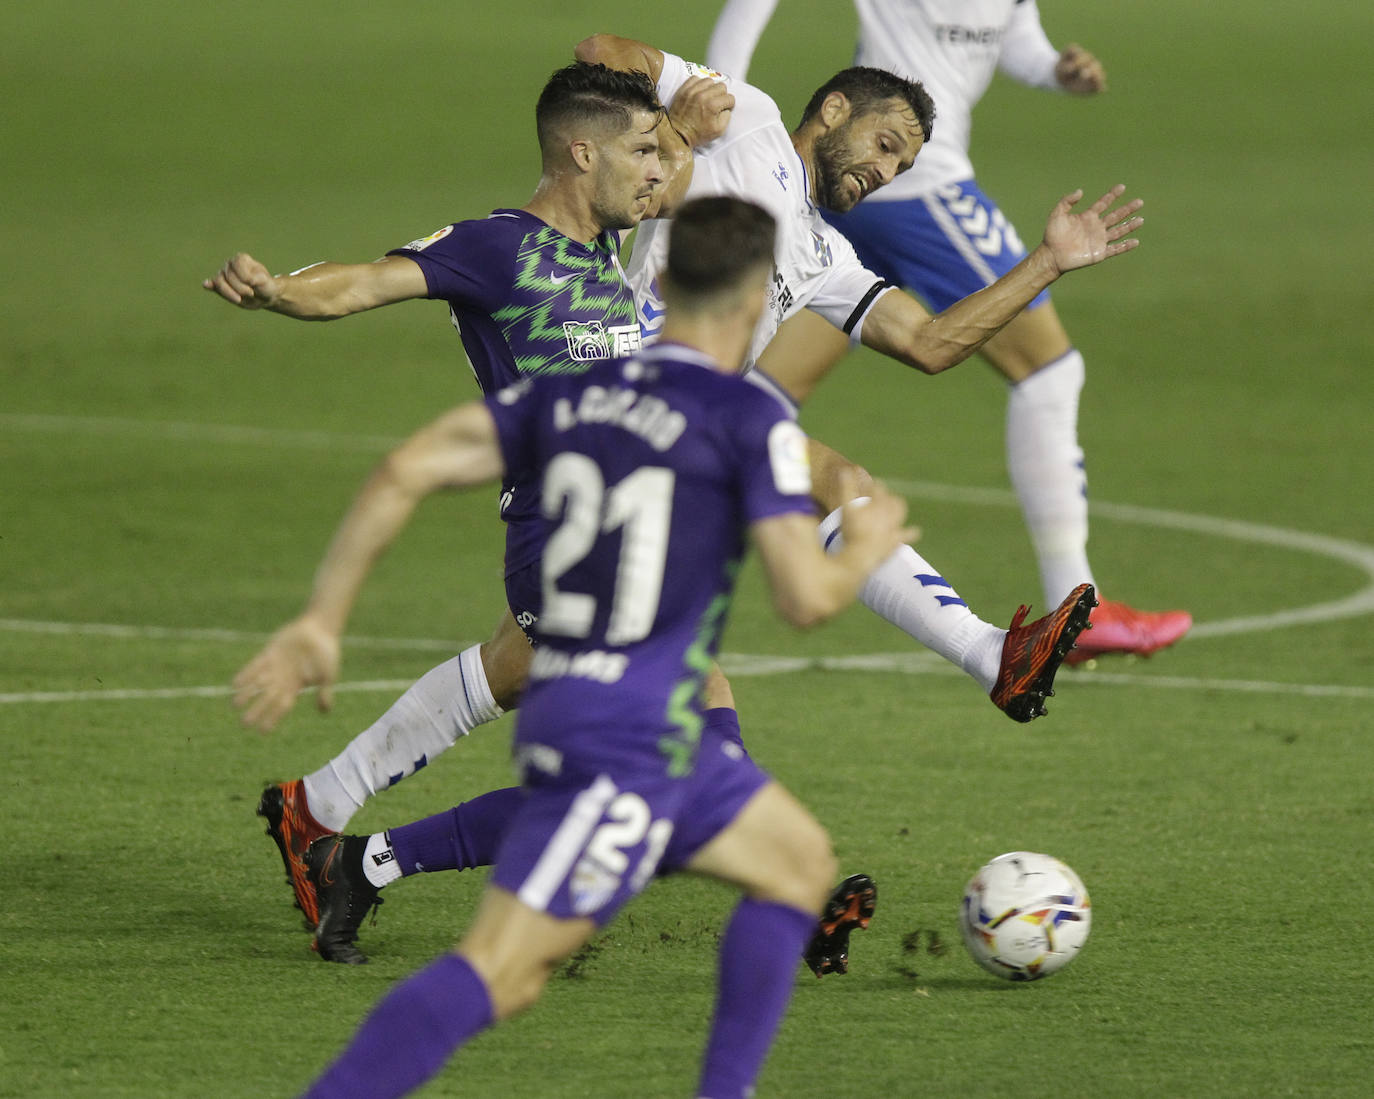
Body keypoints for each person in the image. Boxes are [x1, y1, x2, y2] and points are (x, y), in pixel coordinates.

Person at [215, 49, 1105, 948]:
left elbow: (936, 341)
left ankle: (323, 816)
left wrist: (1048, 263)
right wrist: (278, 292)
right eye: (885, 144)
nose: (660, 173)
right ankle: (794, 879)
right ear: (831, 111)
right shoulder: (655, 169)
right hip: (579, 522)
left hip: (660, 490)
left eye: (906, 166)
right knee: (646, 769)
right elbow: (374, 278)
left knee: (654, 728)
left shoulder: (715, 253)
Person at [286, 195, 914, 1099]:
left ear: (657, 281)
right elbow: (806, 599)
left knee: (797, 866)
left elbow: (407, 469)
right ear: (749, 310)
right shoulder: (746, 419)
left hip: (606, 702)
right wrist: (863, 547)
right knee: (500, 969)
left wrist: (321, 617)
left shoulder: (565, 394)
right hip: (625, 736)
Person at [704, 0, 1192, 662]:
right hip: (922, 191)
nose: (884, 164)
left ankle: (686, 483)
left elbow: (928, 343)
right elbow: (609, 54)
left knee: (772, 408)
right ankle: (1080, 597)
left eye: (893, 159)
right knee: (1049, 368)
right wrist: (721, 90)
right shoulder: (750, 142)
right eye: (883, 149)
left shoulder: (836, 227)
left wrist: (1053, 70)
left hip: (852, 207)